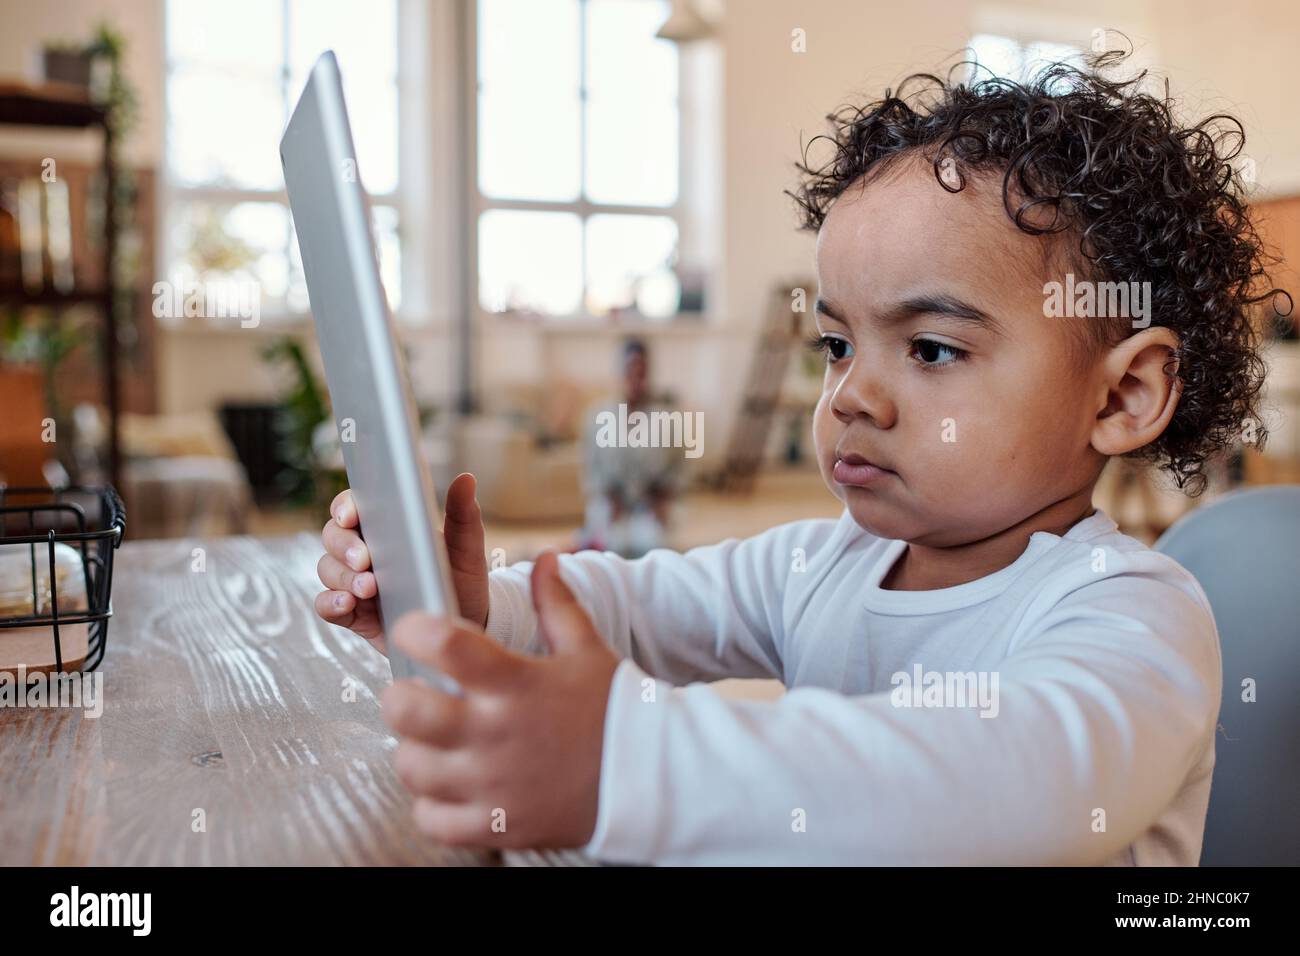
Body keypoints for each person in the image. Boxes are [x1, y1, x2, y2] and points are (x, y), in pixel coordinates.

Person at [313, 49, 1283, 864]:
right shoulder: (820, 564)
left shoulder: (1135, 614)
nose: (850, 393)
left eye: (932, 348)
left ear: (1120, 395)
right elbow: (631, 605)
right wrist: (483, 604)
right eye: (836, 344)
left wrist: (627, 759)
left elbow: (1011, 784)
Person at [579, 339, 683, 557]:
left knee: (652, 542)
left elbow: (678, 470)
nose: (636, 379)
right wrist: (610, 499)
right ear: (620, 373)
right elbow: (591, 470)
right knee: (613, 544)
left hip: (649, 506)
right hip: (611, 503)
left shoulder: (668, 417)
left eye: (641, 372)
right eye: (630, 370)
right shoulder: (598, 415)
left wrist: (662, 500)